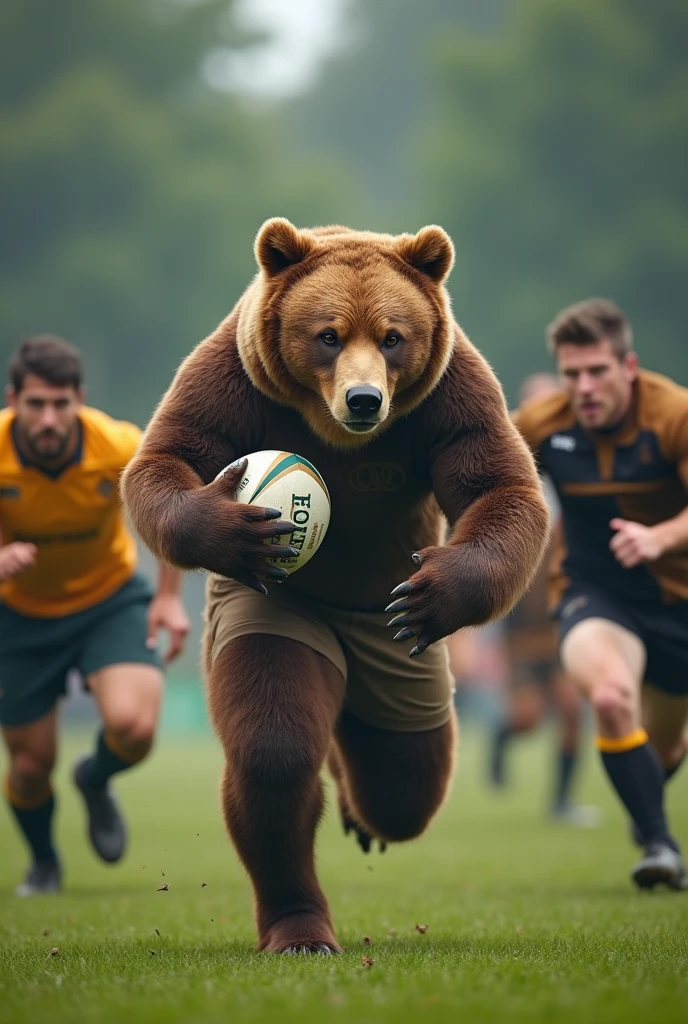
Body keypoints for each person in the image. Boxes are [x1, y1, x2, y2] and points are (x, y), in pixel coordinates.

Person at [0, 335, 190, 896]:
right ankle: (44, 862)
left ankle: (95, 776)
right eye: (36, 404)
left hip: (107, 601)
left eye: (61, 403)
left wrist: (167, 597)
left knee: (134, 727)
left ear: (80, 398)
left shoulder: (119, 445)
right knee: (30, 769)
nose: (50, 418)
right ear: (14, 400)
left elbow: (168, 509)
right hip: (19, 617)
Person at [514, 299, 688, 889]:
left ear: (628, 366)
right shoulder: (543, 422)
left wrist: (659, 536)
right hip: (595, 595)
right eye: (571, 374)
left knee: (663, 752)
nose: (583, 387)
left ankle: (648, 812)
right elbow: (480, 469)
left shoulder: (675, 415)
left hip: (678, 603)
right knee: (611, 699)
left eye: (597, 372)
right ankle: (661, 847)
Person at [490, 374, 599, 828]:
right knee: (528, 718)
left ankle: (561, 803)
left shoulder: (580, 468)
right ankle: (501, 738)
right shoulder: (509, 471)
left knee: (573, 708)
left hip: (565, 613)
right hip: (522, 620)